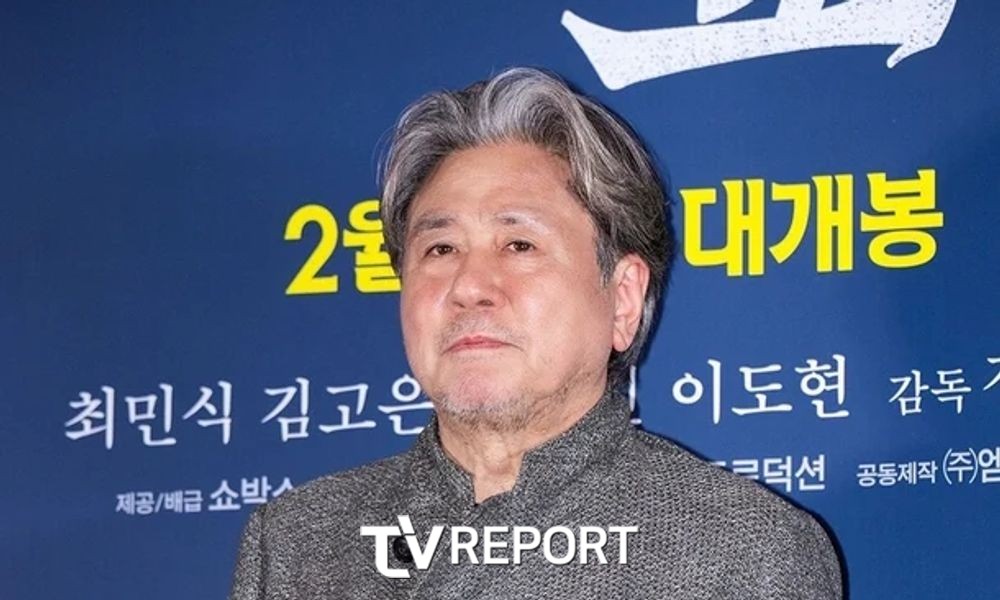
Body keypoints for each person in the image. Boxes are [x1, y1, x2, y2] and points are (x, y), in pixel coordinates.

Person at [228, 67, 843, 599]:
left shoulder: (743, 552)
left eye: (519, 244)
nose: (470, 286)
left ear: (622, 298)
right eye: (440, 249)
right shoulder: (296, 543)